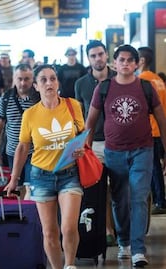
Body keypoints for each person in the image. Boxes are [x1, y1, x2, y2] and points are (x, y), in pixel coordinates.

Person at [5, 64, 85, 269]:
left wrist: (81, 148)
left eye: (52, 79)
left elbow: (81, 136)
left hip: (69, 173)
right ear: (36, 86)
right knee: (49, 230)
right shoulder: (30, 114)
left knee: (69, 227)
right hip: (41, 176)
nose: (49, 83)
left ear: (57, 82)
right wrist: (14, 179)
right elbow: (22, 147)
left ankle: (70, 266)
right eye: (43, 80)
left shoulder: (73, 106)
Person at [85, 44, 166, 268]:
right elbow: (90, 123)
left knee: (139, 197)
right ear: (115, 62)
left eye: (131, 60)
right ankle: (124, 242)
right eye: (122, 59)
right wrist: (86, 150)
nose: (126, 63)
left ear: (137, 63)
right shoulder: (104, 88)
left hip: (143, 150)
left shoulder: (146, 87)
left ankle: (138, 248)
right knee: (119, 200)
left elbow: (162, 120)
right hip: (114, 152)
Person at [74, 40, 117, 247]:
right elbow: (79, 117)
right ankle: (106, 229)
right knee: (100, 190)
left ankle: (122, 230)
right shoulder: (81, 84)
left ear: (106, 55)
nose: (97, 59)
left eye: (100, 54)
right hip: (94, 143)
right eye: (93, 56)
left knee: (121, 190)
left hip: (118, 143)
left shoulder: (120, 79)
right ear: (88, 58)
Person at [0, 64, 40, 198]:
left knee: (30, 186)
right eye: (20, 79)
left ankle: (30, 214)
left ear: (32, 79)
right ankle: (25, 213)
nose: (23, 83)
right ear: (14, 79)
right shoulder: (6, 98)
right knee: (18, 185)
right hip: (12, 151)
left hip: (34, 151)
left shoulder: (38, 98)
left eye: (27, 79)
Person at [138, 46, 166, 215]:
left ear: (141, 61)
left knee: (153, 167)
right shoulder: (158, 79)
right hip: (159, 128)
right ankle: (161, 198)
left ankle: (159, 200)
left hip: (150, 129)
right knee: (157, 166)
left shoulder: (141, 80)